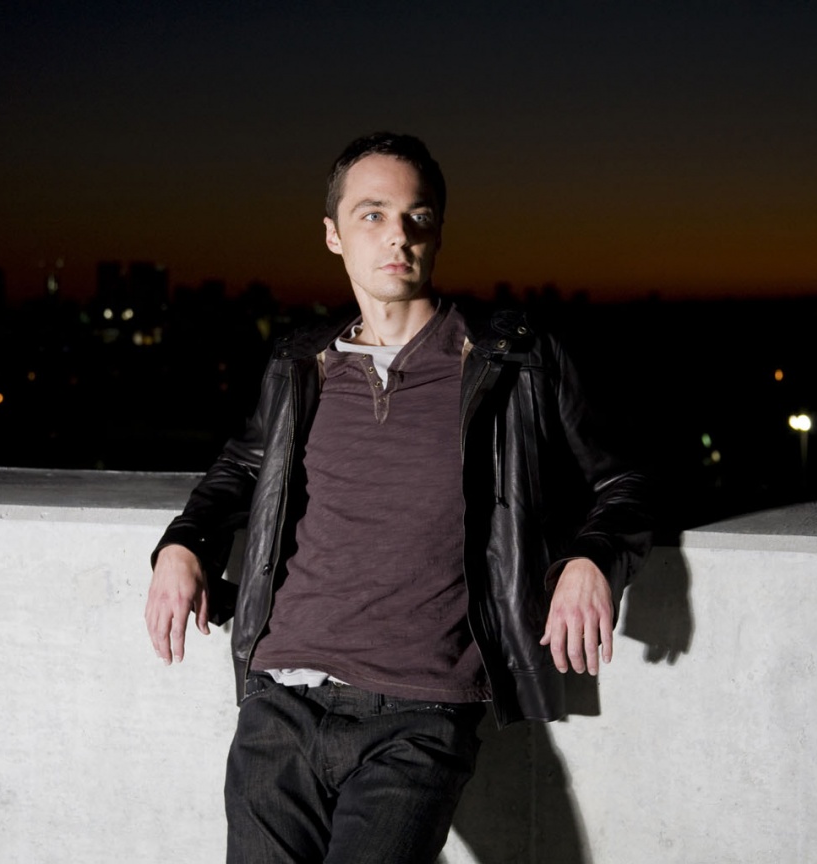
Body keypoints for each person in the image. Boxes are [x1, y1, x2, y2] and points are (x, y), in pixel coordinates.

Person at [144, 132, 652, 864]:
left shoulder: (515, 359)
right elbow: (240, 469)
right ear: (333, 234)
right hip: (280, 699)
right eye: (373, 215)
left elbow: (623, 480)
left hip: (421, 713)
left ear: (438, 231)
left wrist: (591, 558)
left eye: (418, 217)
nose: (398, 236)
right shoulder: (300, 364)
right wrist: (183, 545)